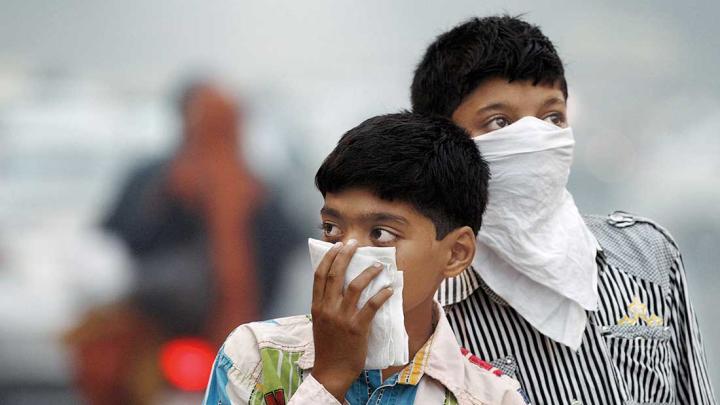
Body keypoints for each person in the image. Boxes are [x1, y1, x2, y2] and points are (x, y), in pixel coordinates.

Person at [410, 15, 716, 404]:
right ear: (441, 141)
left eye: (552, 117)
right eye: (499, 122)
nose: (536, 138)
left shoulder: (647, 257)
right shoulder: (425, 302)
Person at [203, 113, 529, 404]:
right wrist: (328, 381)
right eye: (331, 228)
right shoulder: (255, 357)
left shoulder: (491, 397)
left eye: (380, 234)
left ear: (456, 253)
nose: (346, 251)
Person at [65, 81, 302, 405]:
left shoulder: (257, 190)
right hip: (163, 337)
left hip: (225, 335)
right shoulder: (161, 181)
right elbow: (111, 247)